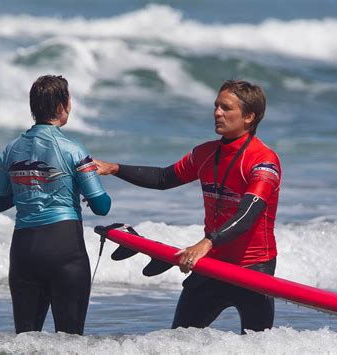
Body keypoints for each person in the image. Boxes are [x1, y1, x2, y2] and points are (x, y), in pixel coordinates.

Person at [94, 80, 281, 334]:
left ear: (249, 116)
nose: (217, 112)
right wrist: (114, 168)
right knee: (178, 341)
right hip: (212, 265)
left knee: (258, 348)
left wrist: (206, 243)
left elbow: (248, 213)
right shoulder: (205, 154)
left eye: (226, 108)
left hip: (253, 269)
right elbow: (163, 178)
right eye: (216, 106)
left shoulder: (263, 161)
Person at [0, 75, 111, 334]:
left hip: (23, 250)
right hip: (64, 248)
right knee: (69, 342)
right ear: (60, 107)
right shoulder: (74, 150)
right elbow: (101, 205)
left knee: (26, 341)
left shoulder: (10, 150)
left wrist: (29, 187)